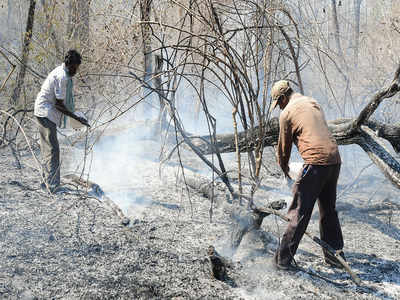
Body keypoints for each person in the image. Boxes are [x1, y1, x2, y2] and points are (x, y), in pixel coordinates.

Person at [270, 80, 345, 270]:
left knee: (298, 214)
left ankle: (282, 262)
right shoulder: (312, 102)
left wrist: (285, 169)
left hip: (315, 164)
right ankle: (335, 258)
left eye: (278, 103)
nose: (279, 107)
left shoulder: (286, 113)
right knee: (328, 211)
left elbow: (283, 150)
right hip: (334, 161)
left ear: (283, 98)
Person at [34, 49, 89, 193]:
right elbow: (59, 104)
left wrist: (75, 116)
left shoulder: (64, 73)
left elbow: (61, 103)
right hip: (45, 112)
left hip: (46, 112)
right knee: (52, 150)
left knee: (49, 148)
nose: (76, 71)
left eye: (77, 67)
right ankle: (52, 186)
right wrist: (76, 118)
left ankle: (47, 182)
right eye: (75, 67)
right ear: (69, 64)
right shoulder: (62, 77)